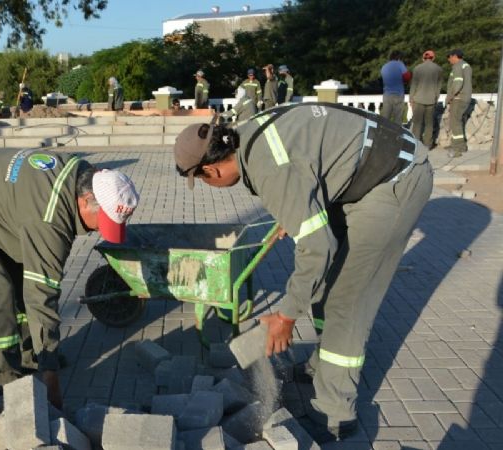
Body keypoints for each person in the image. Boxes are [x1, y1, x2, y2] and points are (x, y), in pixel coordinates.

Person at [173, 103, 433, 443]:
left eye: (202, 181)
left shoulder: (269, 165)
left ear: (213, 171)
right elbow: (304, 172)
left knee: (346, 302)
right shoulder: (248, 137)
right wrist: (294, 211)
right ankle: (319, 369)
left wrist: (287, 315)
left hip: (394, 180)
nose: (208, 186)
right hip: (367, 174)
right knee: (326, 286)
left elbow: (317, 248)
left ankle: (335, 414)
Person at [0, 149, 139, 408]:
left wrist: (44, 359)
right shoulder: (50, 218)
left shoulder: (85, 176)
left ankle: (30, 356)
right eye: (100, 222)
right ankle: (0, 377)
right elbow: (42, 295)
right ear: (86, 200)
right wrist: (51, 378)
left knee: (21, 273)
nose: (97, 230)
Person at [409, 50, 442, 149]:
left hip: (418, 99)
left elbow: (414, 85)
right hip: (431, 100)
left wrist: (411, 98)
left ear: (423, 58)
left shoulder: (417, 68)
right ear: (433, 58)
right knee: (429, 123)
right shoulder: (438, 69)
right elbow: (438, 87)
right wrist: (436, 98)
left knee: (417, 123)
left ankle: (416, 144)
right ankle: (428, 144)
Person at [446, 49, 472, 157]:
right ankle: (457, 145)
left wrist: (450, 97)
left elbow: (457, 83)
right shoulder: (466, 65)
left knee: (455, 122)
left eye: (449, 58)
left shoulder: (457, 66)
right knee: (458, 121)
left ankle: (458, 149)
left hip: (458, 98)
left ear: (454, 56)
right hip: (465, 97)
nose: (449, 61)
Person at [380, 50, 411, 123]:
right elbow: (407, 77)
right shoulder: (400, 64)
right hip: (398, 94)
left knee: (385, 117)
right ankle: (397, 134)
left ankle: (384, 133)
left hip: (387, 94)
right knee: (398, 118)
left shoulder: (384, 66)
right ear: (399, 58)